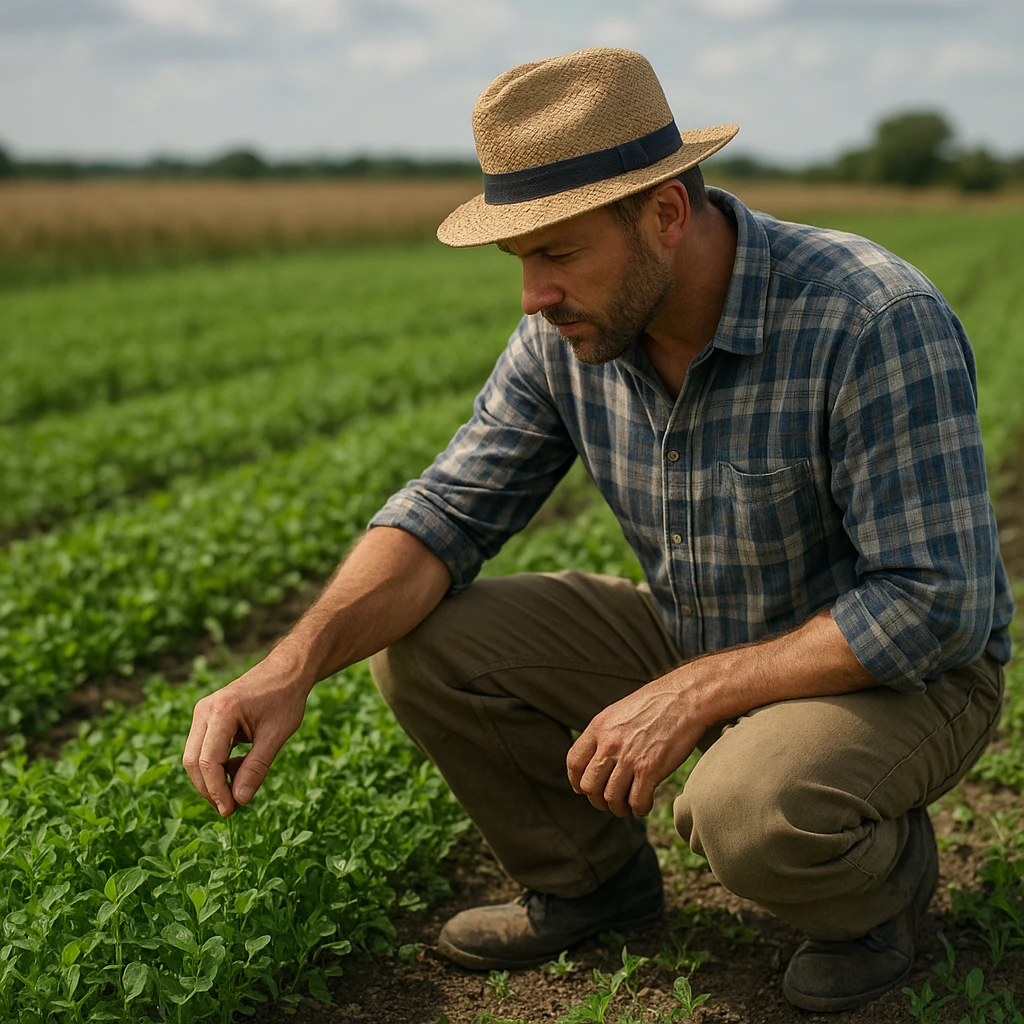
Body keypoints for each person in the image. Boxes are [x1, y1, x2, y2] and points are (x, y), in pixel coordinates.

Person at [182, 47, 1013, 1013]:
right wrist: (290, 663)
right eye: (520, 259)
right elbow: (448, 510)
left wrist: (696, 693)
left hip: (906, 676)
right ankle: (592, 884)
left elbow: (936, 601)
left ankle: (878, 898)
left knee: (746, 806)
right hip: (701, 625)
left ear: (665, 213)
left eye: (559, 252)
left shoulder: (868, 317)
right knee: (432, 647)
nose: (534, 294)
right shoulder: (566, 336)